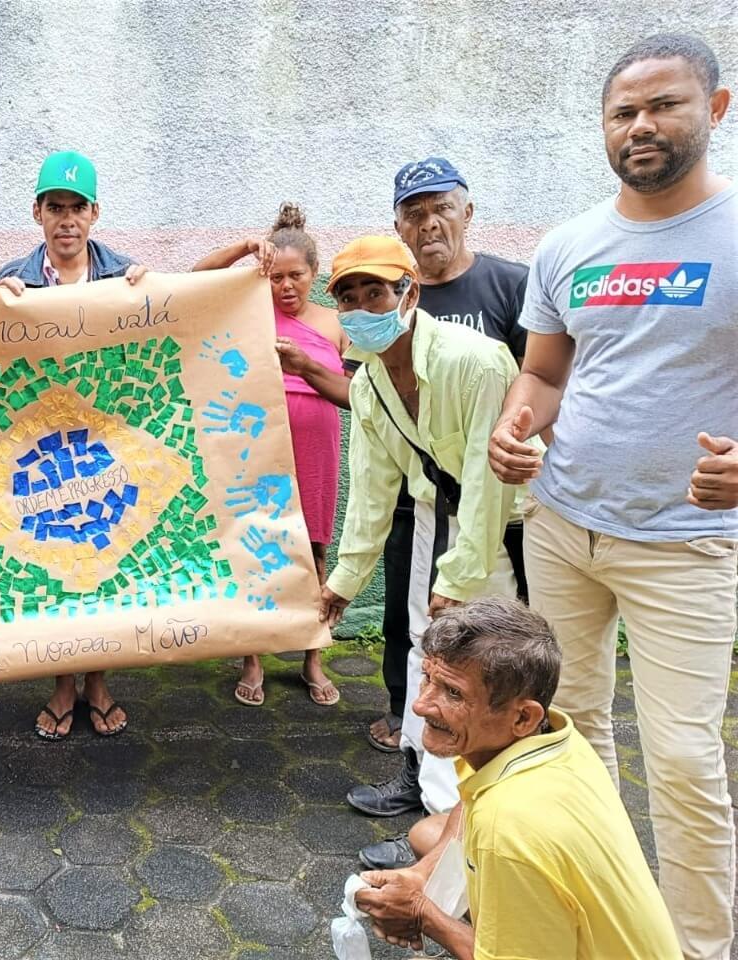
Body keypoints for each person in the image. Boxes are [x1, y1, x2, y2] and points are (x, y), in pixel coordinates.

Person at [489, 34, 735, 960]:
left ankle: (700, 946)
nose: (641, 126)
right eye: (623, 112)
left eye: (664, 105)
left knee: (681, 763)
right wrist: (518, 426)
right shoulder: (569, 246)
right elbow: (545, 374)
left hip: (685, 544)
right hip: (562, 528)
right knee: (569, 738)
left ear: (714, 110)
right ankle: (599, 922)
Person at [317, 236, 529, 866]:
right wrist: (344, 581)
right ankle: (428, 792)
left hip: (503, 525)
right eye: (348, 297)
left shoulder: (477, 361)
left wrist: (463, 574)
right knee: (424, 654)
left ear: (409, 292)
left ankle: (467, 837)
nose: (361, 307)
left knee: (478, 670)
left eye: (375, 292)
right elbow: (374, 492)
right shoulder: (369, 383)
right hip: (437, 516)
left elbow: (488, 477)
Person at [355, 597, 681, 960]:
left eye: (453, 693)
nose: (420, 705)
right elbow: (470, 802)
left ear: (523, 717)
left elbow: (500, 831)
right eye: (428, 679)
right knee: (427, 836)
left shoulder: (507, 827)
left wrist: (422, 913)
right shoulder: (556, 738)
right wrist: (421, 877)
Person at [367, 158, 532, 760]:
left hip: (506, 501)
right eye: (414, 213)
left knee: (499, 641)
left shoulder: (510, 286)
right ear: (399, 228)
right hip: (427, 499)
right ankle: (417, 759)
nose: (429, 223)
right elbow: (376, 399)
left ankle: (499, 766)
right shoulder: (384, 303)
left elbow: (539, 381)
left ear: (468, 212)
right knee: (418, 632)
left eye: (441, 207)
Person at [0, 149, 147, 739]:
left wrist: (147, 292)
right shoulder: (12, 279)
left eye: (76, 207)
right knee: (58, 566)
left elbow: (159, 330)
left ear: (94, 213)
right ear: (38, 212)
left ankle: (99, 682)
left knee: (105, 561)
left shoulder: (125, 275)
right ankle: (62, 684)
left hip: (108, 442)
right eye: (55, 206)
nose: (66, 219)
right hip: (43, 444)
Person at [192, 202, 350, 707]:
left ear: (314, 274)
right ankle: (253, 656)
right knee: (258, 541)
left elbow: (353, 388)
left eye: (296, 276)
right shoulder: (250, 310)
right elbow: (193, 283)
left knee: (315, 550)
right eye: (276, 276)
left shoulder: (334, 322)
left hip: (318, 442)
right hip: (259, 440)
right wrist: (242, 249)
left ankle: (312, 655)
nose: (286, 287)